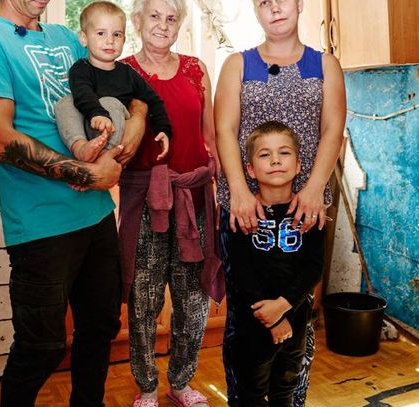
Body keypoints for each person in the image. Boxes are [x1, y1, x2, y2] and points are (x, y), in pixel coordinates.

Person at [0, 0, 147, 406]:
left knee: (100, 329)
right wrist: (88, 175)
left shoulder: (65, 37)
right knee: (40, 347)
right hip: (40, 225)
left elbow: (125, 88)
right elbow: (2, 141)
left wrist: (138, 123)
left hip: (96, 215)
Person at [214, 0, 346, 405]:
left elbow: (333, 129)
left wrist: (315, 186)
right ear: (256, 10)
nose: (274, 8)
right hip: (246, 208)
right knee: (246, 314)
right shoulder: (238, 64)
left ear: (299, 4)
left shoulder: (325, 65)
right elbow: (224, 129)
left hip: (303, 207)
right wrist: (239, 189)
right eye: (263, 2)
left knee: (299, 313)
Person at [118, 0, 224, 406]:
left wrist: (223, 187)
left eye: (171, 17)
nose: (163, 25)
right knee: (143, 300)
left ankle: (180, 383)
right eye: (154, 16)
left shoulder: (197, 69)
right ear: (137, 21)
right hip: (145, 200)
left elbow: (210, 137)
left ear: (179, 24)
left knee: (192, 300)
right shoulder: (122, 72)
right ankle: (146, 386)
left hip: (194, 199)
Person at [225, 120, 324, 406]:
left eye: (284, 153)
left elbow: (313, 268)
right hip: (253, 323)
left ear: (298, 165)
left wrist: (282, 308)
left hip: (295, 320)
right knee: (252, 393)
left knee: (285, 390)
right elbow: (240, 272)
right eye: (265, 154)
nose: (276, 160)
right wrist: (272, 318)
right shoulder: (243, 214)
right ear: (250, 169)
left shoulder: (310, 213)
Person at [55, 1, 170, 163]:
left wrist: (163, 129)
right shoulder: (80, 69)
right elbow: (83, 94)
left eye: (116, 34)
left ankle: (104, 156)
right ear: (84, 38)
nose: (110, 40)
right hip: (87, 126)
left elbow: (153, 100)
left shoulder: (128, 73)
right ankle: (80, 147)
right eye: (101, 33)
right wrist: (97, 113)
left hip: (115, 135)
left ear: (124, 39)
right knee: (65, 103)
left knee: (110, 102)